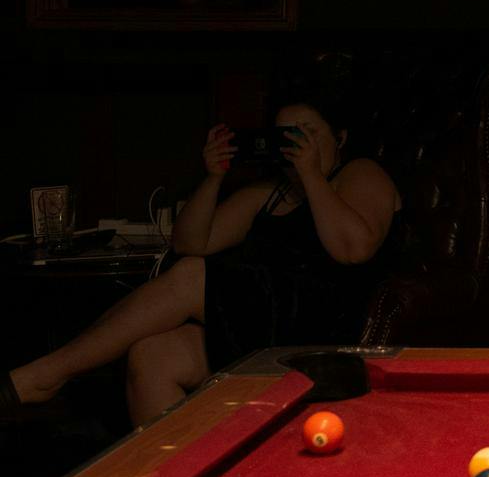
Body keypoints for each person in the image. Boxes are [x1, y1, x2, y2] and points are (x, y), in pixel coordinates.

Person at [3, 87, 401, 425]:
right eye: (287, 136)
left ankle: (46, 375)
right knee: (153, 356)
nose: (297, 146)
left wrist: (312, 175)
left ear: (340, 138)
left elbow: (354, 250)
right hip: (266, 325)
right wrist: (214, 177)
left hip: (328, 325)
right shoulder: (271, 193)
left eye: (308, 133)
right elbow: (191, 242)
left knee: (195, 275)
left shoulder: (360, 173)